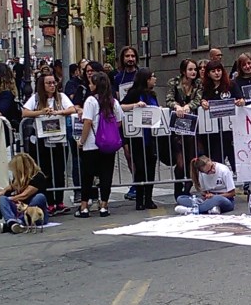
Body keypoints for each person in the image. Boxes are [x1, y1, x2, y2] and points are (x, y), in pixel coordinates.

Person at [22, 72, 77, 212]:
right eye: (49, 83)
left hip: (59, 139)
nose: (52, 86)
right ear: (43, 85)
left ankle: (59, 201)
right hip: (43, 140)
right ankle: (49, 202)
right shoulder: (36, 99)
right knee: (45, 171)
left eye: (54, 83)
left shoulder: (61, 97)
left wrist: (59, 113)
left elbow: (72, 109)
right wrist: (41, 112)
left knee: (59, 170)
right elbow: (25, 112)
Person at [77, 71, 126, 218]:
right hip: (108, 145)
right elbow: (118, 122)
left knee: (87, 175)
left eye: (91, 83)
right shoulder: (113, 102)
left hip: (91, 144)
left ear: (96, 85)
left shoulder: (91, 101)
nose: (89, 85)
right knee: (106, 175)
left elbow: (87, 122)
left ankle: (84, 207)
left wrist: (81, 141)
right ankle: (104, 205)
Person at [121, 67, 161, 210]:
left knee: (150, 168)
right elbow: (121, 106)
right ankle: (139, 199)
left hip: (151, 136)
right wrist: (135, 106)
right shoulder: (134, 93)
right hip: (138, 137)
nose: (155, 79)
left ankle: (149, 198)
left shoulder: (153, 94)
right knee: (140, 168)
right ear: (146, 79)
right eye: (152, 77)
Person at [166, 58, 202, 199]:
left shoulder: (198, 84)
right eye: (190, 69)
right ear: (183, 71)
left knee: (192, 159)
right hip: (177, 126)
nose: (193, 72)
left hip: (193, 126)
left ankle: (188, 187)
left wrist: (189, 106)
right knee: (180, 162)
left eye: (195, 69)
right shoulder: (174, 83)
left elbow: (198, 99)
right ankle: (178, 187)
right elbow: (168, 99)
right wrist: (177, 106)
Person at [0, 151, 49, 235]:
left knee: (40, 197)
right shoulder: (18, 179)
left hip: (34, 213)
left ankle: (18, 222)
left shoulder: (38, 177)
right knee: (2, 199)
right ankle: (12, 222)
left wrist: (10, 199)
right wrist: (3, 191)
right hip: (20, 209)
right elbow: (12, 186)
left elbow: (24, 195)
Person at [200, 58, 235, 169]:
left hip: (229, 130)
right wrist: (203, 102)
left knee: (234, 159)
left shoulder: (230, 85)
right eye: (213, 71)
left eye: (219, 70)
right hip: (213, 132)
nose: (217, 73)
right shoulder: (205, 88)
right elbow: (201, 100)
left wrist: (240, 101)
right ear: (208, 74)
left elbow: (240, 99)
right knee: (217, 160)